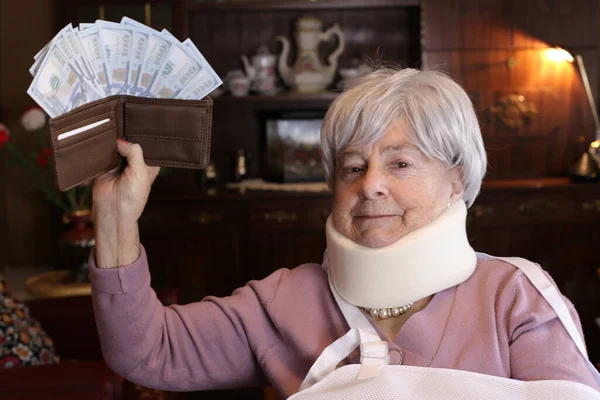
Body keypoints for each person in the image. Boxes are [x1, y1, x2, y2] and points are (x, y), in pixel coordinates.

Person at [90, 68, 600, 398]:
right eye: (353, 167)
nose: (371, 185)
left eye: (401, 163)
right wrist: (116, 219)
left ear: (457, 180)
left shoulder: (516, 297)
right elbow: (146, 351)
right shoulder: (284, 301)